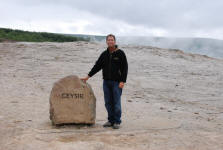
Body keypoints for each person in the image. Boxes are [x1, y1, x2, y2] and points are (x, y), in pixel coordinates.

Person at [81, 34, 128, 129]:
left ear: (115, 41)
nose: (110, 41)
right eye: (108, 40)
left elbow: (125, 68)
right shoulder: (104, 54)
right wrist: (88, 76)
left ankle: (117, 121)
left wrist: (122, 81)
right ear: (106, 41)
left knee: (116, 103)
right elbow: (97, 66)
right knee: (108, 102)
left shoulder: (120, 53)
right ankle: (110, 121)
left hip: (116, 82)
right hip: (106, 82)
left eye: (112, 40)